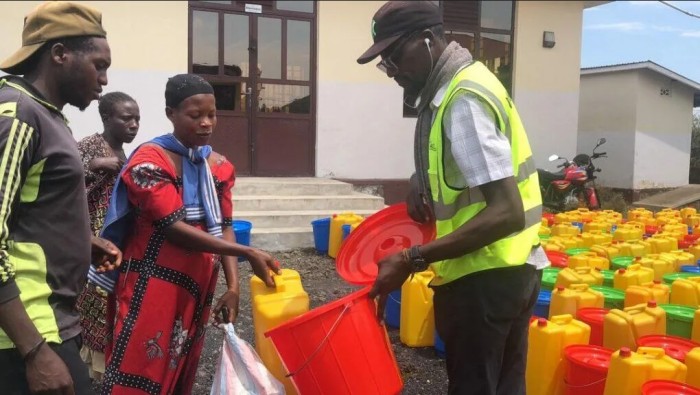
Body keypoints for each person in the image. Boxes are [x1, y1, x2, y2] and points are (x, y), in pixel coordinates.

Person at [359, 2, 543, 394]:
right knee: (507, 384)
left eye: (395, 57)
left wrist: (411, 258)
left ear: (427, 41)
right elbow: (471, 164)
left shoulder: (463, 100)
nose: (391, 71)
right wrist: (420, 179)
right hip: (515, 267)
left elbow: (507, 211)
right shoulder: (462, 85)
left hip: (485, 278)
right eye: (384, 62)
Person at [98, 74, 279, 395]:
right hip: (150, 284)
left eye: (211, 115)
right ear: (171, 113)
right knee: (139, 365)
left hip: (196, 286)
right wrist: (248, 253)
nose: (206, 123)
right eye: (195, 116)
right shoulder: (149, 160)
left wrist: (234, 286)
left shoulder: (219, 167)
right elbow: (173, 227)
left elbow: (223, 225)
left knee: (180, 366)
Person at [0, 2, 122, 395]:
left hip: (52, 320)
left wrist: (82, 242)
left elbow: (25, 213)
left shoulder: (49, 116)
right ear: (59, 54)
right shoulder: (17, 116)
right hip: (28, 328)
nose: (104, 79)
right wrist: (34, 351)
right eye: (98, 65)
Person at [76, 92, 141, 381]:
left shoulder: (128, 155)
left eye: (137, 119)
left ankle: (108, 372)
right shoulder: (89, 146)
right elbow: (57, 180)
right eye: (126, 118)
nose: (134, 124)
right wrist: (92, 166)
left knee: (111, 303)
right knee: (93, 303)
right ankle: (91, 372)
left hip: (115, 245)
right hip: (87, 244)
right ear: (106, 118)